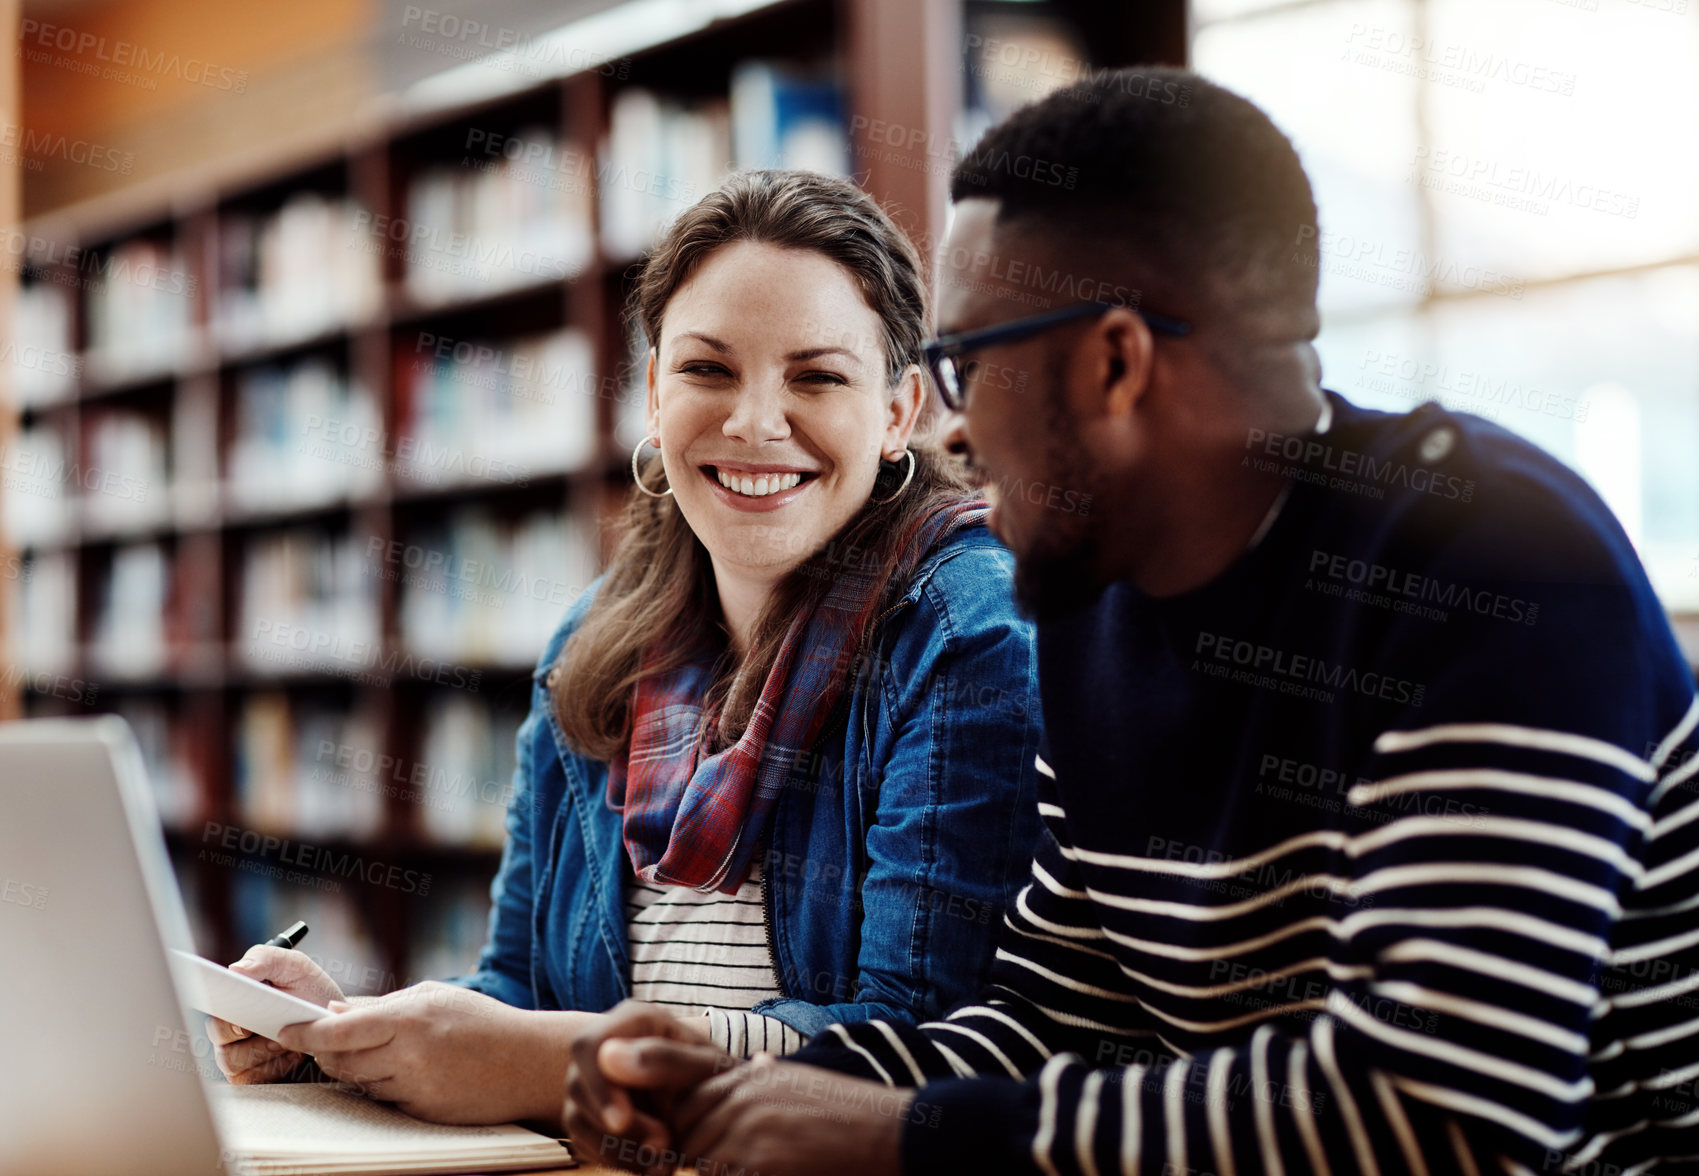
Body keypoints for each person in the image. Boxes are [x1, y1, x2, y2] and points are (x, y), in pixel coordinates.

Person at [560, 68, 1699, 1176]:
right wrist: (738, 1083)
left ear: (1112, 363)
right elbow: (1049, 1036)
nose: (948, 434)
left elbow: (1442, 1115)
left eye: (959, 364)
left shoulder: (1493, 565)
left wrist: (899, 1138)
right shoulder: (1091, 613)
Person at [208, 169, 1045, 1129]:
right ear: (652, 391)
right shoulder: (592, 643)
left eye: (816, 376)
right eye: (706, 370)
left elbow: (925, 1047)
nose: (754, 422)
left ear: (899, 411)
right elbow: (523, 991)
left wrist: (570, 1063)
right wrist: (344, 1035)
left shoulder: (967, 634)